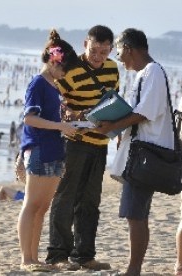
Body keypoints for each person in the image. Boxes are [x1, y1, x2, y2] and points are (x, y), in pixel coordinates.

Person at [95, 28, 173, 276]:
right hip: (139, 151)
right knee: (135, 213)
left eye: (118, 51)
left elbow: (143, 113)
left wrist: (113, 125)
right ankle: (133, 269)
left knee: (135, 213)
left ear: (128, 48)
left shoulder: (153, 72)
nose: (118, 57)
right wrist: (115, 128)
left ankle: (133, 270)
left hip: (145, 154)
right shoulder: (145, 74)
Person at [46, 25, 119, 271]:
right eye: (94, 49)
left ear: (111, 49)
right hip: (74, 142)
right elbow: (56, 103)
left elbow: (114, 99)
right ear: (84, 44)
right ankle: (58, 255)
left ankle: (84, 255)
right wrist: (75, 112)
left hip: (100, 142)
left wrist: (116, 128)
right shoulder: (71, 68)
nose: (98, 56)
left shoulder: (112, 68)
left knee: (90, 201)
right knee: (65, 198)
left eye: (104, 51)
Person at [17, 29, 78, 273]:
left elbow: (49, 117)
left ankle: (34, 257)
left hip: (53, 148)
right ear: (54, 61)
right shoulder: (38, 82)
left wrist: (66, 120)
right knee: (32, 205)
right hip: (40, 147)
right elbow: (29, 119)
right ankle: (26, 259)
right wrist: (59, 125)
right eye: (64, 68)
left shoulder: (53, 86)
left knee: (42, 208)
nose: (65, 73)